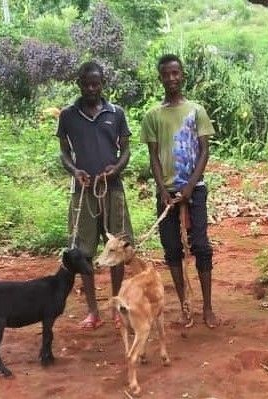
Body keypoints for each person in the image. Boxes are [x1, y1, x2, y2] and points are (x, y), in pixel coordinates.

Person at [140, 54, 218, 327]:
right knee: (172, 248)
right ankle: (185, 305)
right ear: (160, 78)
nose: (172, 78)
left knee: (201, 246)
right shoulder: (152, 115)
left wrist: (189, 187)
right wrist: (163, 190)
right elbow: (153, 158)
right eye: (166, 74)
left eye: (176, 73)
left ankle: (207, 306)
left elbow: (204, 151)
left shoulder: (196, 111)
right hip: (167, 193)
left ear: (182, 75)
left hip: (194, 189)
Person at [57, 61, 134, 329]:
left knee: (118, 249)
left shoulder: (117, 113)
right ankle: (92, 311)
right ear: (79, 83)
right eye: (86, 83)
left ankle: (115, 305)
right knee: (82, 252)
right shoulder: (67, 115)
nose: (91, 88)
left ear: (103, 83)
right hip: (83, 192)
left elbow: (125, 150)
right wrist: (75, 170)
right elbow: (64, 152)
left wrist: (117, 167)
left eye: (96, 83)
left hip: (112, 190)